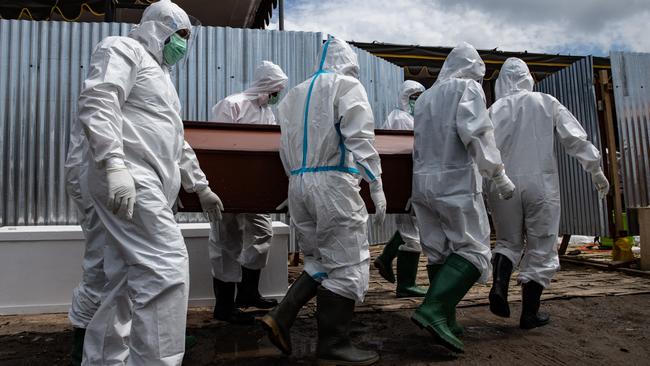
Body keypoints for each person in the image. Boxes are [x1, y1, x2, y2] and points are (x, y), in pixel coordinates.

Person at [77, 1, 224, 364]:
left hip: (143, 180)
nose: (184, 44)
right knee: (166, 267)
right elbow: (99, 99)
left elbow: (175, 140)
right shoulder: (123, 49)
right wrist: (113, 162)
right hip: (129, 174)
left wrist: (200, 186)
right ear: (161, 28)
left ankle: (103, 360)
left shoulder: (162, 78)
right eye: (181, 35)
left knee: (126, 279)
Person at [260, 36, 384, 366]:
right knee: (348, 263)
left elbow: (285, 148)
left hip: (299, 183)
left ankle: (281, 316)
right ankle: (334, 344)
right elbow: (359, 135)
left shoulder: (293, 97)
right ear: (349, 64)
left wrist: (297, 183)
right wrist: (375, 181)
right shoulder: (347, 86)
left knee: (319, 260)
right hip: (333, 184)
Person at [487, 57, 609, 329]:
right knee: (541, 246)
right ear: (528, 77)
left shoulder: (494, 109)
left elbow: (479, 148)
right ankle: (529, 313)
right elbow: (575, 138)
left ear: (502, 81)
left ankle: (499, 286)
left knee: (507, 242)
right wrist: (596, 171)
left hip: (502, 184)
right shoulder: (545, 101)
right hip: (540, 184)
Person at [410, 42, 515, 353]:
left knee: (438, 251)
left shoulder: (426, 97)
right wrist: (497, 174)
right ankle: (432, 310)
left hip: (423, 183)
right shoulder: (466, 88)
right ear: (474, 69)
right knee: (474, 251)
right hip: (454, 180)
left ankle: (446, 318)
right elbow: (477, 133)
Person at [209, 60, 289, 324]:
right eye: (277, 88)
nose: (279, 94)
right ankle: (224, 306)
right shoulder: (232, 104)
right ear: (266, 85)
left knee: (263, 232)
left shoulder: (268, 113)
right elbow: (217, 145)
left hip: (254, 188)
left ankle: (248, 292)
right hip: (228, 186)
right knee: (226, 241)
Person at [374, 80, 427, 298]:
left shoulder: (405, 117)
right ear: (407, 98)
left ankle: (385, 258)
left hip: (409, 180)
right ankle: (406, 285)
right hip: (407, 181)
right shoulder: (400, 119)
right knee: (411, 232)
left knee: (410, 227)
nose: (418, 101)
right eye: (415, 97)